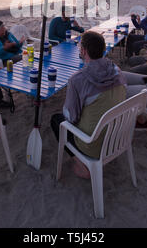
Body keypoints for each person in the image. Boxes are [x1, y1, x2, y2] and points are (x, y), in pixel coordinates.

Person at [50, 31, 126, 178]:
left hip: (92, 145)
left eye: (80, 47)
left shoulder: (77, 79)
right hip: (117, 135)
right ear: (103, 49)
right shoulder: (117, 71)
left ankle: (82, 164)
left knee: (56, 120)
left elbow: (71, 118)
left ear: (83, 51)